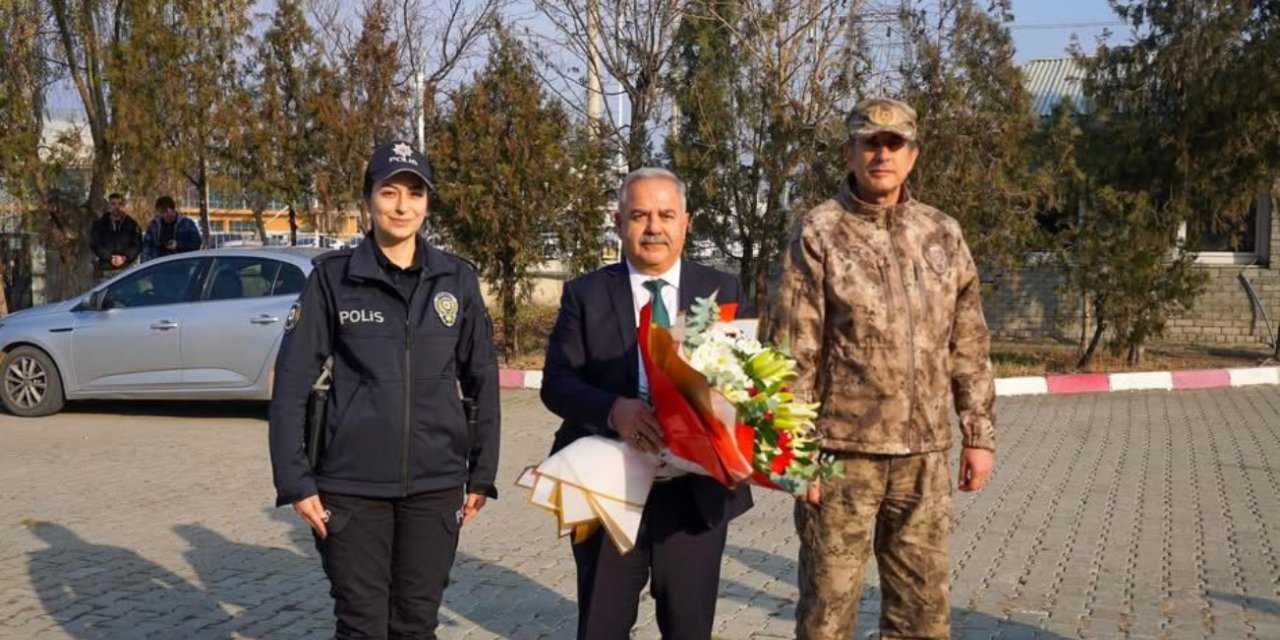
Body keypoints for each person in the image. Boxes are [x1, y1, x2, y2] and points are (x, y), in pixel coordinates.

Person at [770, 97, 997, 640]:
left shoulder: (942, 233)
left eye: (894, 145)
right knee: (827, 614)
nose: (882, 154)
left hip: (924, 457)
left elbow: (968, 339)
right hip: (840, 458)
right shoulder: (819, 232)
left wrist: (978, 434)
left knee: (922, 617)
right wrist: (794, 453)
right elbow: (793, 348)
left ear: (912, 156)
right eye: (869, 143)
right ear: (849, 152)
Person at [268, 141, 500, 639]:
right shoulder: (333, 280)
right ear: (368, 200)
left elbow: (482, 380)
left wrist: (482, 474)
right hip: (350, 488)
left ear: (427, 203)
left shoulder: (456, 280)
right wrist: (296, 482)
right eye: (389, 192)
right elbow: (290, 384)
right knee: (362, 626)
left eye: (415, 194)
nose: (402, 206)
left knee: (417, 625)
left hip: (435, 486)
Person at [541, 167, 753, 640]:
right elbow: (556, 382)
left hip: (693, 491)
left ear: (686, 223)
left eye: (665, 215)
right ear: (619, 223)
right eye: (639, 215)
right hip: (608, 484)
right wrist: (614, 410)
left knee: (688, 626)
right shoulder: (587, 294)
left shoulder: (723, 289)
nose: (653, 227)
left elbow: (743, 383)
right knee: (601, 625)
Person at [89, 193, 142, 282]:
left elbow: (138, 245)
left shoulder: (133, 224)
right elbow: (95, 244)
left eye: (119, 204)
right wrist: (110, 257)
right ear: (109, 205)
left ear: (123, 205)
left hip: (127, 270)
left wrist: (125, 258)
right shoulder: (99, 224)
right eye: (113, 204)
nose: (116, 207)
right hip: (106, 270)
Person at [140, 196, 201, 261]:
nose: (164, 215)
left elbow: (196, 244)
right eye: (161, 213)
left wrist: (178, 245)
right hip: (158, 262)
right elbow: (146, 246)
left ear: (173, 210)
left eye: (166, 212)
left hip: (180, 263)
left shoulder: (187, 224)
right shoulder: (154, 226)